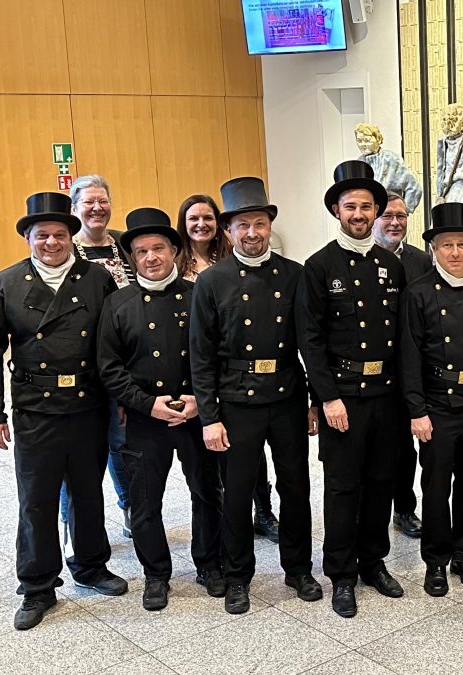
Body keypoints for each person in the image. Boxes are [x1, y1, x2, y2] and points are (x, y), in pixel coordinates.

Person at [0, 192, 128, 631]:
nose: (51, 242)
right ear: (28, 238)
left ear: (71, 236)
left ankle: (90, 566)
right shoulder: (5, 283)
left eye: (59, 234)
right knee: (37, 500)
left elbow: (113, 347)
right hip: (34, 410)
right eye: (41, 235)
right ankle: (38, 586)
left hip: (88, 404)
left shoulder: (96, 280)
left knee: (87, 491)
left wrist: (119, 401)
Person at [190, 177, 321, 615]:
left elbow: (310, 343)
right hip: (235, 401)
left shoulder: (295, 275)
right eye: (242, 224)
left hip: (286, 395)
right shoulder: (212, 282)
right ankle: (238, 575)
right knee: (237, 492)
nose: (251, 233)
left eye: (259, 223)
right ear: (228, 230)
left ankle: (299, 568)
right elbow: (201, 357)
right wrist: (209, 418)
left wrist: (317, 400)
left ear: (270, 226)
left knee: (296, 486)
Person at [98, 208, 224, 610]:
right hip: (144, 418)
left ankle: (208, 564)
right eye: (141, 252)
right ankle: (156, 574)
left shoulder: (199, 293)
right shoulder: (117, 303)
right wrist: (145, 404)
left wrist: (199, 402)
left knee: (207, 493)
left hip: (194, 415)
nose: (151, 257)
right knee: (144, 502)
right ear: (132, 258)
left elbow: (219, 354)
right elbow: (108, 366)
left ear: (173, 250)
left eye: (158, 248)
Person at [298, 161, 407, 618]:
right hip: (343, 393)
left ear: (377, 211)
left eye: (366, 206)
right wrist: (327, 398)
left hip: (386, 394)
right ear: (336, 211)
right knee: (344, 487)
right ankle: (341, 573)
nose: (359, 213)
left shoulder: (391, 265)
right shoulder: (319, 266)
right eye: (350, 206)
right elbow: (310, 338)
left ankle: (373, 561)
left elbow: (402, 337)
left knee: (383, 481)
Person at [400, 202, 463, 597]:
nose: (455, 252)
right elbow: (409, 355)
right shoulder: (419, 293)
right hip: (437, 403)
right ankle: (436, 561)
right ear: (434, 249)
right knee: (437, 485)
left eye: (461, 244)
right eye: (446, 245)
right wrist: (417, 410)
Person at [176, 194, 280, 544]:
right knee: (215, 462)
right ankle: (220, 527)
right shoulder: (173, 265)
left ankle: (262, 510)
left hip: (245, 376)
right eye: (194, 219)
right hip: (203, 372)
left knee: (249, 454)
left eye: (207, 217)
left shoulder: (234, 257)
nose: (201, 224)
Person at [65, 175, 132, 537]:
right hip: (82, 364)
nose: (97, 208)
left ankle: (130, 508)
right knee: (77, 450)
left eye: (102, 201)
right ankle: (72, 522)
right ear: (75, 208)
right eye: (88, 202)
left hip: (125, 362)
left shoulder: (125, 244)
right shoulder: (64, 248)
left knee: (122, 441)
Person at [373, 191, 430, 539]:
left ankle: (405, 509)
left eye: (402, 216)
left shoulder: (421, 261)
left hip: (414, 368)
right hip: (376, 369)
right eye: (388, 216)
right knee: (382, 446)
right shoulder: (364, 258)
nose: (395, 222)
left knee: (407, 447)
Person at [356, 123, 423, 212]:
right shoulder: (359, 163)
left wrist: (403, 211)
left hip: (389, 215)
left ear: (378, 139)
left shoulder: (391, 159)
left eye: (367, 140)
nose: (363, 145)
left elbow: (414, 187)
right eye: (359, 141)